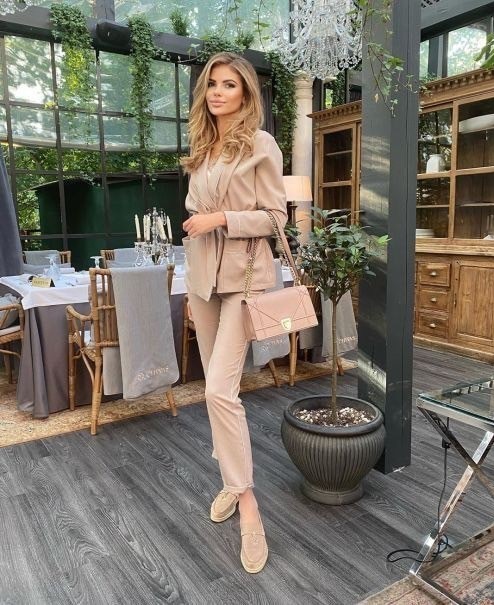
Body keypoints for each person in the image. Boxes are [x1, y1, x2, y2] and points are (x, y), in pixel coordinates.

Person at [181, 52, 287, 574]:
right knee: (219, 390)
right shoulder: (203, 149)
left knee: (219, 391)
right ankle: (230, 478)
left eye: (229, 85)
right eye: (212, 85)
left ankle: (248, 505)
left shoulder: (260, 144)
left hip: (243, 279)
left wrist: (220, 217)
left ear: (245, 93)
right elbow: (194, 212)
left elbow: (276, 218)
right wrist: (199, 223)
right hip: (202, 279)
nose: (218, 92)